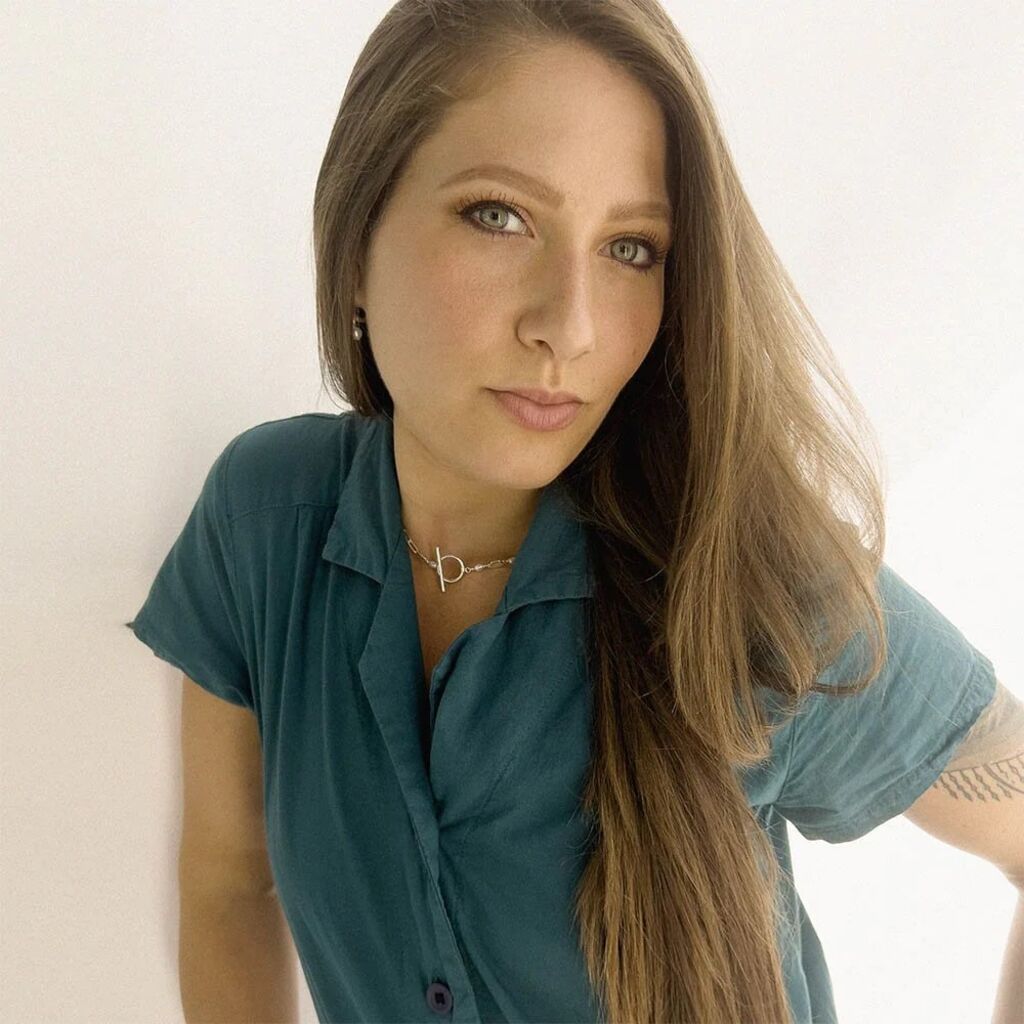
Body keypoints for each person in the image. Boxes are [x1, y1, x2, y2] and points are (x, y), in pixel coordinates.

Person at [127, 2, 1023, 1022]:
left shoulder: (747, 586)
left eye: (631, 247)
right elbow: (229, 882)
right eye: (499, 216)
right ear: (357, 226)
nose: (572, 325)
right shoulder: (266, 520)